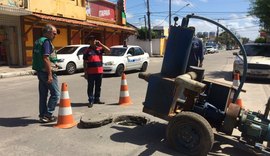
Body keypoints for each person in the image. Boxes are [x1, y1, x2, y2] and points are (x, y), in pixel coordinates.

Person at [32, 24, 60, 123]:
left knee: (43, 95)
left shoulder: (38, 41)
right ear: (48, 32)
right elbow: (45, 58)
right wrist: (50, 74)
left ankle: (42, 115)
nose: (55, 35)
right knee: (56, 94)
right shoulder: (46, 42)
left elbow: (42, 57)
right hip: (46, 71)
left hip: (40, 71)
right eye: (54, 33)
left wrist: (54, 63)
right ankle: (48, 115)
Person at [83, 36, 110, 108]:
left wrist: (101, 44)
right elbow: (85, 63)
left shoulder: (100, 49)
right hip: (90, 72)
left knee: (98, 86)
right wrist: (85, 73)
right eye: (92, 40)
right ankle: (90, 100)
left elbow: (108, 50)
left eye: (94, 40)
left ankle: (97, 99)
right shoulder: (87, 51)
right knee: (90, 87)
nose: (93, 41)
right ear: (89, 42)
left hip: (99, 71)